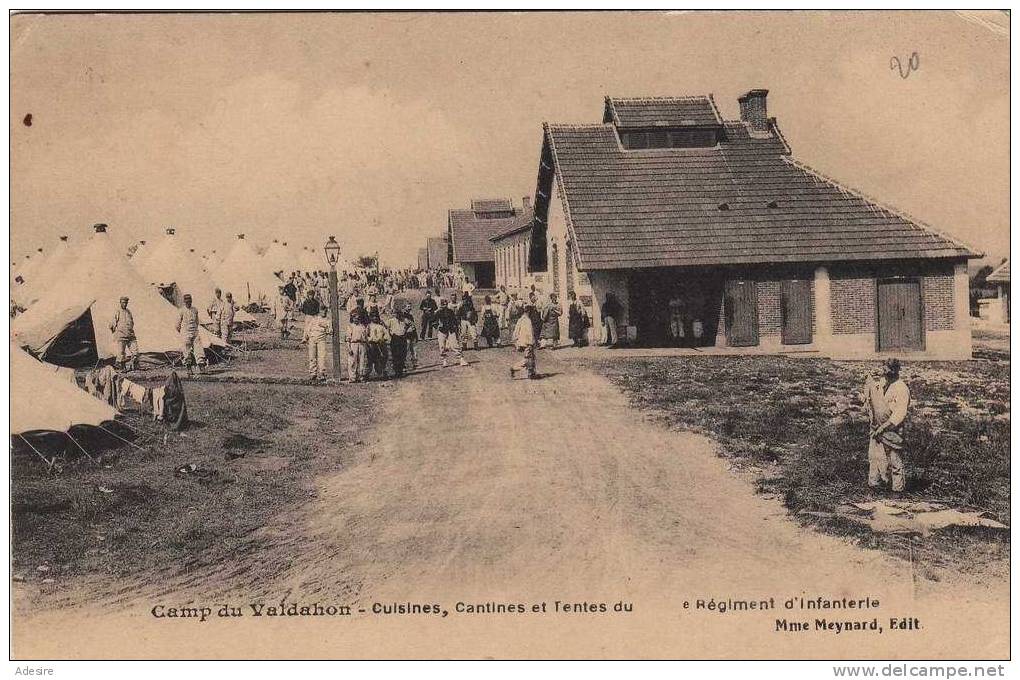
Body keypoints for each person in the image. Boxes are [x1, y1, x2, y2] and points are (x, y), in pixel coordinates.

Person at [864, 358, 911, 494]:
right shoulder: (883, 383)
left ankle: (897, 490)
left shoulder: (902, 388)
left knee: (894, 460)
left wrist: (884, 427)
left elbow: (899, 414)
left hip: (892, 429)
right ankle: (874, 486)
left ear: (895, 371)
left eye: (888, 370)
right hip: (877, 426)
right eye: (884, 369)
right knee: (874, 457)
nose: (884, 372)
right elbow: (873, 395)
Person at [176, 293, 204, 375]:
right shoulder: (181, 311)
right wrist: (182, 333)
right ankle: (189, 368)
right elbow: (177, 325)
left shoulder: (195, 310)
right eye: (187, 300)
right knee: (186, 351)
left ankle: (201, 367)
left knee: (199, 349)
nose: (188, 302)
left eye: (190, 300)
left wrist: (195, 329)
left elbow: (197, 321)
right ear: (184, 301)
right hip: (186, 333)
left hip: (195, 332)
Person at [303, 305, 332, 383]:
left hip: (321, 339)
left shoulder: (328, 320)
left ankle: (322, 373)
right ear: (319, 311)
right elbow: (308, 328)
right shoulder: (314, 319)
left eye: (325, 311)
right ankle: (313, 373)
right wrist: (306, 337)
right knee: (312, 356)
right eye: (322, 311)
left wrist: (325, 327)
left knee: (321, 356)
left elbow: (330, 331)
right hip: (312, 338)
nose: (323, 312)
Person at [436, 298, 468, 368]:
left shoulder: (450, 311)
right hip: (442, 331)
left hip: (451, 330)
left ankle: (461, 359)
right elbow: (433, 321)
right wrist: (437, 325)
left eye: (445, 304)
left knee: (454, 345)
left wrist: (456, 327)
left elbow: (455, 320)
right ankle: (444, 360)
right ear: (441, 305)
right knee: (442, 346)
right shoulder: (438, 312)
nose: (444, 305)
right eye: (443, 304)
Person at [109, 296, 139, 371]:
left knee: (135, 351)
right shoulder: (118, 311)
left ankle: (134, 366)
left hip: (130, 335)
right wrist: (113, 329)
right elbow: (113, 321)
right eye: (123, 303)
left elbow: (132, 322)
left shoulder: (129, 312)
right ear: (120, 303)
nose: (124, 304)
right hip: (121, 335)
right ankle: (122, 367)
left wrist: (130, 328)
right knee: (121, 353)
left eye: (126, 303)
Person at [510, 300, 537, 379]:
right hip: (527, 343)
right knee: (528, 359)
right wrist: (532, 342)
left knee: (531, 358)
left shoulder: (521, 319)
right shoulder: (528, 321)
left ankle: (531, 373)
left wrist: (515, 341)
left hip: (521, 342)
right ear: (528, 311)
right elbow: (530, 333)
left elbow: (516, 331)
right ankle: (514, 368)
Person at [385, 308, 410, 378]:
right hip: (395, 338)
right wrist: (389, 333)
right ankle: (396, 372)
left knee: (402, 355)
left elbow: (411, 325)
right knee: (395, 355)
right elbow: (385, 325)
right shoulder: (391, 321)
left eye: (399, 313)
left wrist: (406, 332)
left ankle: (401, 371)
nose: (397, 315)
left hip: (402, 338)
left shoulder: (404, 320)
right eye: (396, 313)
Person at [366, 310, 391, 379]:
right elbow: (366, 336)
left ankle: (382, 373)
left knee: (381, 359)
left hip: (380, 344)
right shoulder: (369, 326)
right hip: (372, 345)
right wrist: (370, 339)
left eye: (376, 317)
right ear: (371, 318)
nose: (375, 318)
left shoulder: (381, 327)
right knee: (370, 360)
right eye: (373, 317)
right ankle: (366, 374)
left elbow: (387, 335)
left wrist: (383, 339)